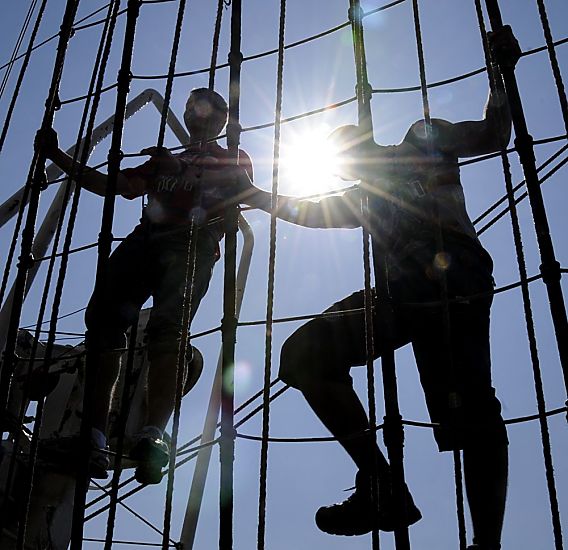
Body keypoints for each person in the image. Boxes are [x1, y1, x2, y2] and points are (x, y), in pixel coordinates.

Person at [237, 27, 520, 550]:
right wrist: (252, 193)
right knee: (303, 356)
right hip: (403, 295)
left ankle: (485, 543)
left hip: (452, 272)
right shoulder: (361, 198)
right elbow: (308, 212)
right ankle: (384, 484)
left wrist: (501, 71)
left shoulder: (422, 140)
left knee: (472, 414)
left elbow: (493, 134)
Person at [39, 88, 253, 480]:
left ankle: (153, 435)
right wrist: (58, 157)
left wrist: (179, 171)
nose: (193, 108)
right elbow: (111, 186)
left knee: (168, 331)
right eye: (190, 103)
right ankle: (93, 439)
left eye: (204, 103)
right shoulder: (165, 158)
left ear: (223, 119)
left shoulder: (232, 156)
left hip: (193, 243)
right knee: (103, 323)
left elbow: (235, 195)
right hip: (145, 239)